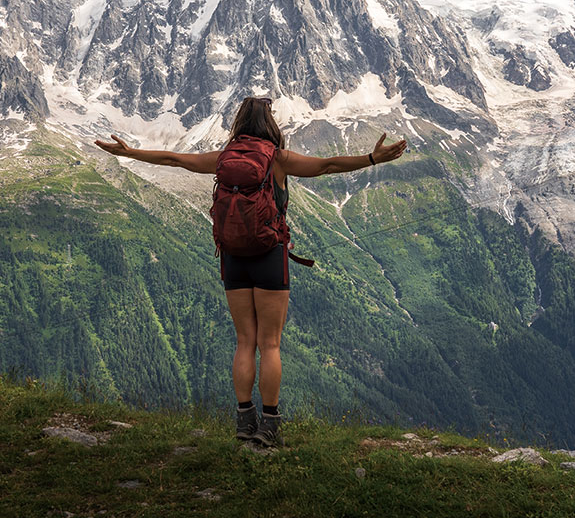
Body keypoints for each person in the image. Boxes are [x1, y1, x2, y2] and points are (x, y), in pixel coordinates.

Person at [95, 95, 407, 446]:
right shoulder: (278, 159)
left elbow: (173, 159)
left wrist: (129, 153)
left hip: (233, 258)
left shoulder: (222, 159)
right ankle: (270, 425)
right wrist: (370, 158)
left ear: (239, 123)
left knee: (245, 341)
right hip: (269, 257)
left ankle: (244, 422)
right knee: (269, 344)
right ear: (270, 124)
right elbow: (328, 166)